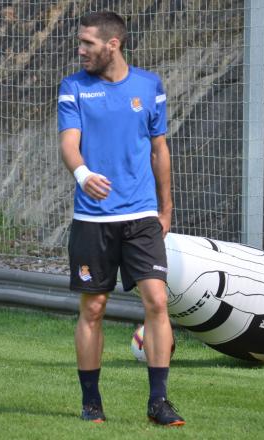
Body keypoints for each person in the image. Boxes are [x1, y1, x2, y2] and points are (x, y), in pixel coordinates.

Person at [57, 10, 185, 427]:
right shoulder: (74, 86)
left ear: (113, 44)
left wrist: (165, 209)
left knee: (157, 300)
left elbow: (159, 150)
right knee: (93, 307)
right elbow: (69, 144)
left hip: (142, 214)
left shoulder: (149, 86)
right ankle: (91, 403)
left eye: (88, 43)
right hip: (92, 218)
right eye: (80, 42)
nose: (81, 50)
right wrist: (83, 174)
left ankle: (159, 402)